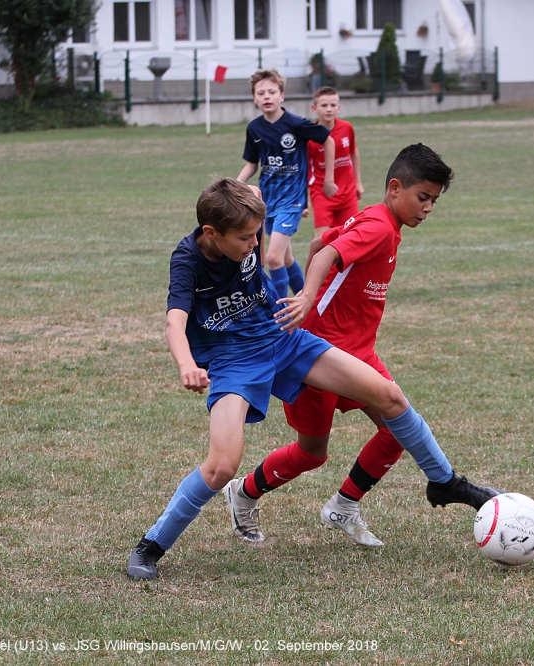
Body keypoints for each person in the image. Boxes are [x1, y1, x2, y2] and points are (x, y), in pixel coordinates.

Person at [126, 177, 497, 579]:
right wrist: (186, 364)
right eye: (245, 238)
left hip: (284, 338)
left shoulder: (245, 220)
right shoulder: (187, 261)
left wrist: (254, 196)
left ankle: (445, 482)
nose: (254, 244)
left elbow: (255, 194)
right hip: (234, 361)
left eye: (256, 234)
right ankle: (150, 547)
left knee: (390, 397)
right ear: (211, 233)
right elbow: (174, 322)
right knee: (221, 467)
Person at [224, 144, 502, 549]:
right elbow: (327, 253)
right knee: (312, 453)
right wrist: (308, 297)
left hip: (359, 352)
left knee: (397, 428)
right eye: (423, 197)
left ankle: (344, 505)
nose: (428, 208)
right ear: (395, 188)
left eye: (434, 201)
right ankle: (243, 491)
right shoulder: (377, 227)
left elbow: (317, 244)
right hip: (319, 355)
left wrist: (313, 293)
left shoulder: (379, 221)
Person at [237, 69, 335, 301]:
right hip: (267, 202)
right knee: (286, 258)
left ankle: (278, 312)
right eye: (261, 93)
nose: (267, 96)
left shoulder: (296, 124)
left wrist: (329, 178)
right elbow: (253, 164)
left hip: (292, 201)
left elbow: (328, 140)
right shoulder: (254, 128)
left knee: (273, 258)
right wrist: (236, 184)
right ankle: (310, 301)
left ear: (282, 96)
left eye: (272, 92)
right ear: (254, 98)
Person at [304, 86, 364, 270]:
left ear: (339, 107)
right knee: (321, 241)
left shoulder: (347, 128)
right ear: (314, 108)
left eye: (332, 105)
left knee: (350, 239)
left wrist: (358, 183)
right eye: (324, 105)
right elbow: (306, 169)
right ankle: (312, 281)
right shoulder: (310, 136)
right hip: (322, 193)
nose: (328, 109)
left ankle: (343, 280)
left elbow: (353, 153)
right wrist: (304, 199)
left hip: (347, 193)